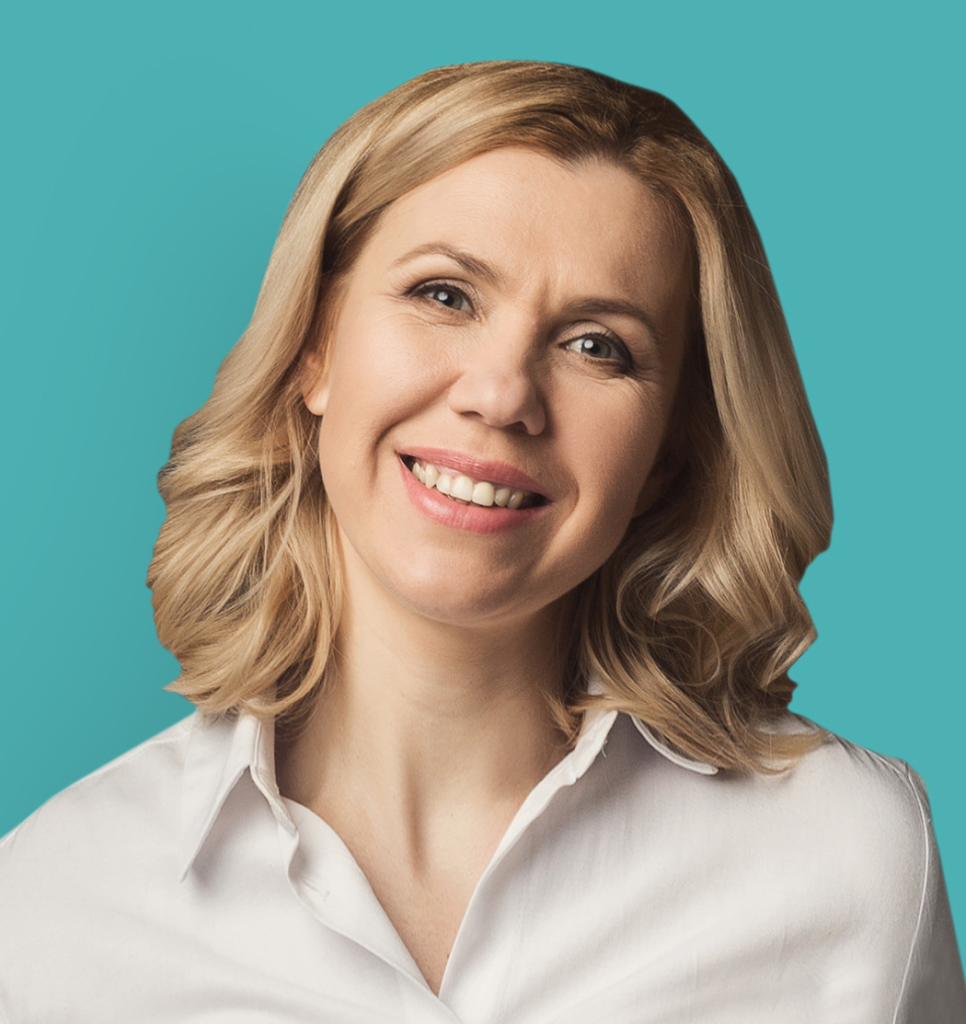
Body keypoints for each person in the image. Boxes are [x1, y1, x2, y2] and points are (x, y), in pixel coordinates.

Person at [0, 61, 963, 1022]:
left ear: (668, 454)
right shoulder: (50, 910)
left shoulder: (849, 860)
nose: (502, 395)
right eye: (445, 295)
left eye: (597, 346)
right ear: (315, 345)